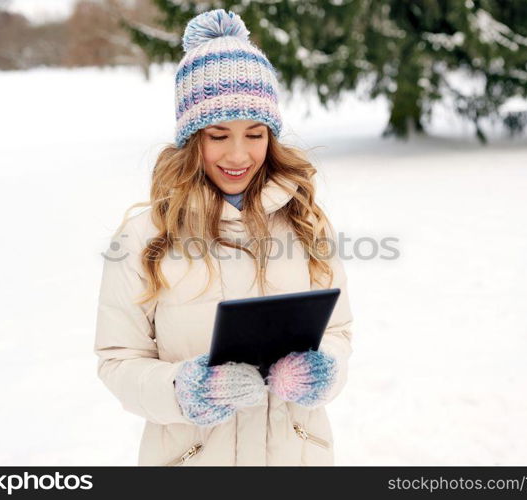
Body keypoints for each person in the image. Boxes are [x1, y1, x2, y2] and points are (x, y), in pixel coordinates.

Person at [94, 8, 353, 466]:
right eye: (218, 135)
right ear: (192, 138)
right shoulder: (142, 238)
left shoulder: (307, 222)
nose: (239, 155)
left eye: (255, 134)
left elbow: (338, 331)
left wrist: (324, 371)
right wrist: (183, 389)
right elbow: (118, 360)